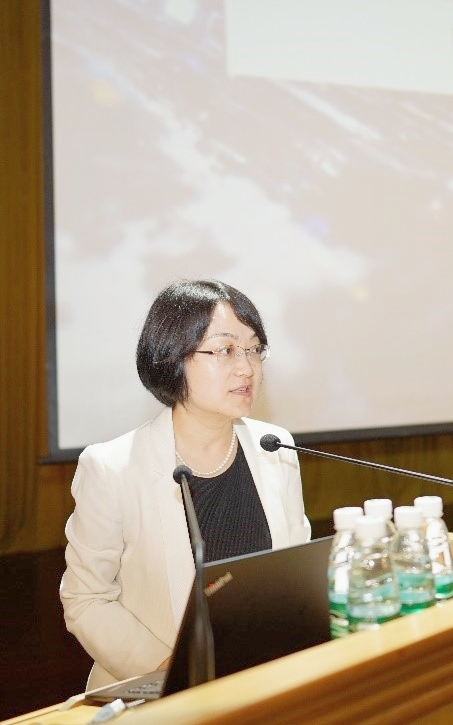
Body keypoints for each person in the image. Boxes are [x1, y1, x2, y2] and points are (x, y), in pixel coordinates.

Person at [59, 279, 311, 690]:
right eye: (225, 350)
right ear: (172, 359)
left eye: (254, 349)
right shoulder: (112, 468)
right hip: (161, 693)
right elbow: (86, 599)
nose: (247, 368)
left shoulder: (275, 448)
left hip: (267, 682)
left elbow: (295, 575)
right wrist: (169, 669)